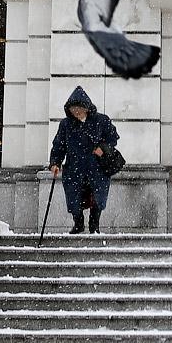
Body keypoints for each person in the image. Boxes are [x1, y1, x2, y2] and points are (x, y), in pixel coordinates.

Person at [49, 86, 119, 234]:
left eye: (79, 107)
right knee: (75, 198)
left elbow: (113, 138)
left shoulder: (101, 120)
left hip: (97, 168)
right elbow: (59, 145)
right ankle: (78, 224)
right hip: (75, 168)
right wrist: (55, 162)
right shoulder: (66, 124)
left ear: (87, 108)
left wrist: (103, 148)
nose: (76, 111)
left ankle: (94, 226)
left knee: (96, 198)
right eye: (73, 108)